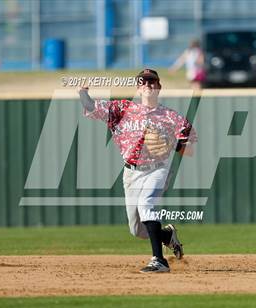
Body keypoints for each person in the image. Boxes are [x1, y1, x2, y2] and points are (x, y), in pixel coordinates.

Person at [78, 69, 197, 273]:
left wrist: (172, 144)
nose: (148, 85)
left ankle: (159, 261)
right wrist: (82, 91)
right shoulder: (123, 109)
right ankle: (167, 236)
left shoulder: (172, 117)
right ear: (138, 88)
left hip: (157, 169)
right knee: (137, 230)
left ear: (159, 87)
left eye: (152, 82)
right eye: (144, 82)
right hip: (131, 172)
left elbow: (191, 150)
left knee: (146, 204)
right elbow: (90, 107)